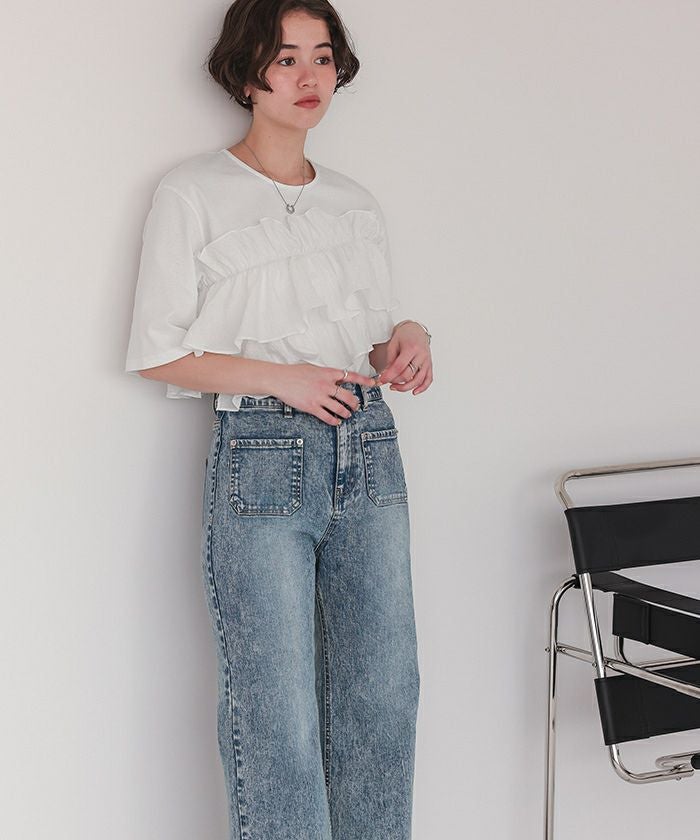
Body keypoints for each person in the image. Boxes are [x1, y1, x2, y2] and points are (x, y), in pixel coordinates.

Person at [124, 2, 433, 838]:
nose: (308, 77)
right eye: (286, 57)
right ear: (246, 72)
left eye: (322, 57)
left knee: (385, 695)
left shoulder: (354, 201)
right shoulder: (193, 191)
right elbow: (158, 352)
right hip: (263, 453)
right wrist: (282, 381)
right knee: (276, 708)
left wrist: (407, 338)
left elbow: (365, 338)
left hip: (369, 443)